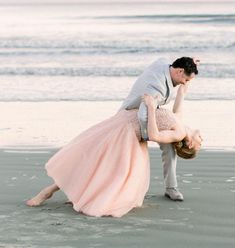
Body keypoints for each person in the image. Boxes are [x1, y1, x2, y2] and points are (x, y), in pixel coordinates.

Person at [26, 83, 202, 218]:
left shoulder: (178, 133)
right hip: (122, 123)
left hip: (126, 135)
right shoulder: (180, 125)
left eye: (200, 142)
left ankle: (47, 192)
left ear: (190, 145)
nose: (201, 138)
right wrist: (184, 86)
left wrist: (149, 106)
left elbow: (154, 135)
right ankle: (67, 192)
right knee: (90, 159)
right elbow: (178, 107)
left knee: (93, 162)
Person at [119, 56, 199, 201]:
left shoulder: (165, 64)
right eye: (186, 79)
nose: (184, 83)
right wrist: (145, 136)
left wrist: (190, 63)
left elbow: (178, 104)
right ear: (180, 71)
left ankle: (171, 188)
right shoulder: (158, 86)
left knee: (169, 147)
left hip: (153, 115)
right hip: (133, 116)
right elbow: (143, 116)